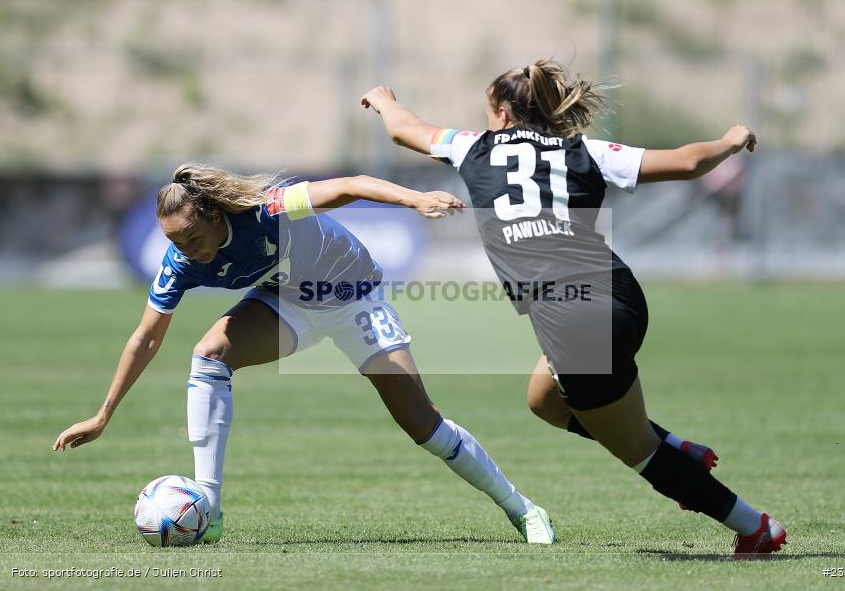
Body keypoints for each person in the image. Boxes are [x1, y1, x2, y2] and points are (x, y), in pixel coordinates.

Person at [361, 59, 787, 556]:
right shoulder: (582, 150)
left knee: (641, 456)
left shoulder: (471, 147)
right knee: (543, 400)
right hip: (621, 294)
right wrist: (731, 141)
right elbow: (689, 162)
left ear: (499, 113)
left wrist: (384, 99)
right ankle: (668, 444)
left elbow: (404, 130)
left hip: (574, 320)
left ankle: (755, 526)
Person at [53, 165, 556, 545]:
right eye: (173, 241)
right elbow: (145, 337)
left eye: (191, 236)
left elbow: (350, 185)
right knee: (209, 353)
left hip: (353, 295)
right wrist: (103, 414)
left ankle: (522, 508)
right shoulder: (180, 261)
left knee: (421, 423)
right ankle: (210, 508)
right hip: (287, 303)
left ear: (213, 213)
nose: (186, 249)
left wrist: (415, 199)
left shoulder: (264, 209)